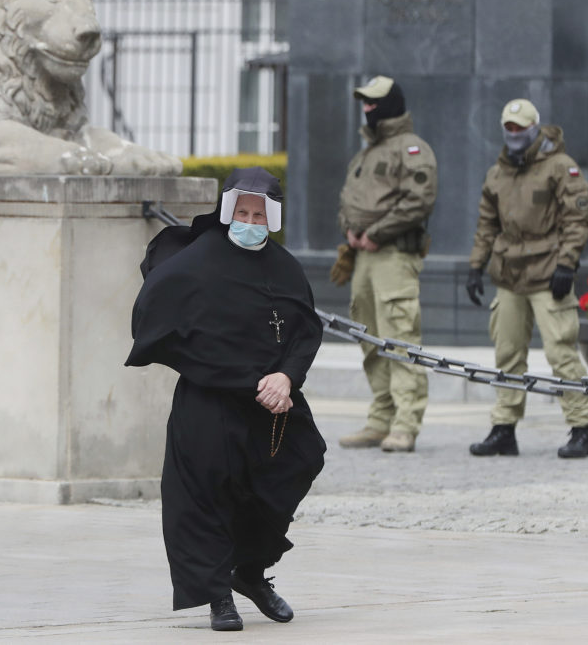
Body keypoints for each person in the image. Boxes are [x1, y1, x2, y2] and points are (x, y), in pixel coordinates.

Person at [125, 167, 326, 632]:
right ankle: (218, 596)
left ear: (271, 216)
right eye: (242, 211)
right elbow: (155, 320)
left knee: (298, 462)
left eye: (259, 213)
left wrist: (286, 378)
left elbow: (305, 331)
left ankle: (250, 574)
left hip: (274, 402)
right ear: (228, 210)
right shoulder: (195, 261)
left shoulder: (286, 267)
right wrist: (240, 377)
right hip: (210, 401)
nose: (250, 220)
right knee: (208, 494)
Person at [466, 98, 588, 459]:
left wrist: (567, 264)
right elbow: (486, 225)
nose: (514, 134)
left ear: (535, 127)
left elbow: (578, 219)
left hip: (548, 273)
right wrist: (476, 266)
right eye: (508, 127)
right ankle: (504, 428)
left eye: (520, 127)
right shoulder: (498, 173)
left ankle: (581, 428)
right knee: (507, 353)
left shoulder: (560, 167)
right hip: (509, 275)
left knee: (561, 352)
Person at [334, 75, 437, 453]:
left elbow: (418, 200)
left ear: (392, 103)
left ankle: (406, 423)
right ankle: (381, 419)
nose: (366, 107)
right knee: (369, 337)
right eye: (363, 100)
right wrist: (351, 232)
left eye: (374, 101)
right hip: (363, 256)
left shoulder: (412, 149)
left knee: (400, 336)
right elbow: (349, 199)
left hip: (393, 255)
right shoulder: (366, 152)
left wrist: (375, 232)